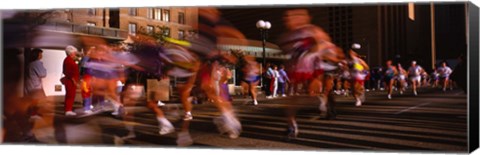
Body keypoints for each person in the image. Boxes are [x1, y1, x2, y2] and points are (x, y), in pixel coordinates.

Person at [24, 48, 47, 117]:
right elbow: (43, 74)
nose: (41, 56)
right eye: (40, 54)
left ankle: (33, 113)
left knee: (32, 100)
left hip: (30, 84)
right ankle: (33, 114)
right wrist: (45, 69)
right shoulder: (37, 63)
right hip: (35, 85)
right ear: (36, 55)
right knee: (35, 100)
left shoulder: (30, 64)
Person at [61, 45, 80, 116]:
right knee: (70, 95)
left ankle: (68, 109)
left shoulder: (69, 59)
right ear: (71, 53)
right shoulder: (68, 60)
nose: (75, 54)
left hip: (71, 80)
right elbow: (69, 73)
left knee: (71, 95)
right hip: (70, 81)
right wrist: (75, 82)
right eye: (74, 53)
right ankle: (68, 110)